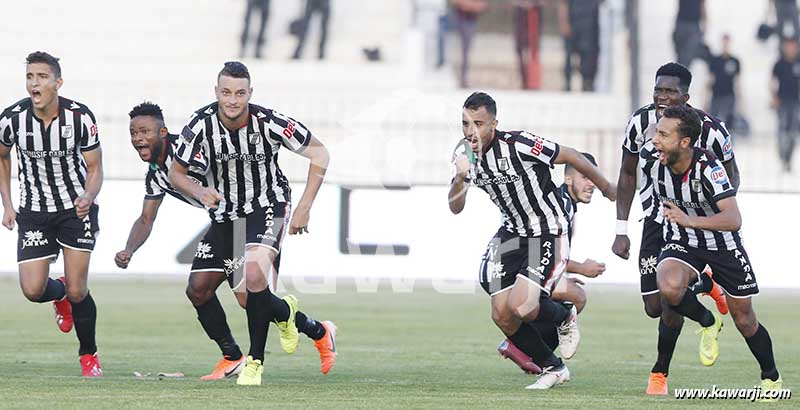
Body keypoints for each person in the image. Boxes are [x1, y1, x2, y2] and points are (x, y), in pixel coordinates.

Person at [169, 62, 335, 385]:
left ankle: (254, 362)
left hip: (266, 205)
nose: (233, 100)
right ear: (216, 92)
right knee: (202, 291)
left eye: (240, 93)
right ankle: (314, 328)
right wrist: (200, 191)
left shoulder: (269, 122)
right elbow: (176, 173)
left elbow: (320, 153)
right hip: (226, 215)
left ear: (250, 93)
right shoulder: (199, 124)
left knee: (256, 274)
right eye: (226, 92)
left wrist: (304, 206)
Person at [449, 92, 616, 389]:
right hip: (512, 233)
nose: (470, 131)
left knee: (523, 307)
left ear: (494, 124)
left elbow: (572, 155)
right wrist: (460, 177)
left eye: (478, 123)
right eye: (465, 123)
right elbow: (455, 206)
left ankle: (564, 316)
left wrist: (607, 187)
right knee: (501, 313)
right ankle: (553, 368)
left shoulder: (519, 143)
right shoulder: (465, 156)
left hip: (546, 229)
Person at [612, 62, 737, 395]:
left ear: (686, 97)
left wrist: (708, 212)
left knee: (670, 302)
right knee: (654, 306)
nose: (662, 97)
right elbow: (627, 174)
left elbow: (731, 177)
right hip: (655, 219)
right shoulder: (639, 123)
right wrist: (620, 227)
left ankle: (659, 374)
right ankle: (705, 285)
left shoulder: (712, 130)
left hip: (692, 225)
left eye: (670, 92)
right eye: (658, 90)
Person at [644, 105, 783, 401]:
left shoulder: (710, 168)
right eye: (657, 131)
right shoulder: (653, 162)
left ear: (685, 142)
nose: (655, 139)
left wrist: (689, 219)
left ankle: (771, 378)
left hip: (723, 245)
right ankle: (708, 321)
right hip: (683, 241)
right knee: (668, 287)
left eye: (663, 134)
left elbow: (733, 219)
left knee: (744, 319)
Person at [0, 51, 103, 377]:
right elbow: (2, 157)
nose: (34, 83)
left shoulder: (79, 117)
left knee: (79, 290)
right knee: (32, 291)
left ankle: (89, 356)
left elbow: (95, 167)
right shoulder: (12, 119)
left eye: (42, 77)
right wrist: (8, 204)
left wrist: (88, 194)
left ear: (57, 82)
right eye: (30, 76)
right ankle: (57, 294)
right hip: (33, 212)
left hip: (74, 211)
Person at [498, 152, 607, 373]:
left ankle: (526, 351)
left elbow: (550, 253)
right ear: (568, 179)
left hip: (527, 265)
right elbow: (546, 252)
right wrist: (582, 268)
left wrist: (558, 274)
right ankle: (526, 349)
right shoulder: (560, 206)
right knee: (576, 297)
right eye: (585, 177)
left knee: (573, 294)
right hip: (521, 269)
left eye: (593, 178)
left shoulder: (564, 203)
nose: (591, 184)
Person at [558, 0, 602, 91]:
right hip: (572, 22)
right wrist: (564, 22)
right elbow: (563, 3)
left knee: (588, 54)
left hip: (589, 25)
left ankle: (587, 82)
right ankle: (567, 83)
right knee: (568, 55)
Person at [771, 38, 800, 172]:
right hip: (782, 102)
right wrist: (774, 98)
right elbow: (772, 81)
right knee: (782, 131)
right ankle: (782, 156)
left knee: (793, 131)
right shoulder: (780, 64)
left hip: (796, 103)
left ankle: (789, 158)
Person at [706, 34, 740, 132]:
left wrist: (740, 100)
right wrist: (705, 99)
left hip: (729, 96)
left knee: (730, 124)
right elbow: (710, 79)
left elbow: (737, 81)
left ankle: (728, 144)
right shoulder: (715, 60)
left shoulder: (734, 61)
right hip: (716, 95)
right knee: (713, 123)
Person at [452, 0, 488, 88]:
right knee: (462, 50)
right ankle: (460, 77)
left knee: (466, 50)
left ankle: (463, 77)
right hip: (460, 19)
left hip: (471, 20)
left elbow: (483, 5)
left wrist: (469, 6)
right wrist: (471, 6)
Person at [672, 0, 707, 67]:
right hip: (681, 23)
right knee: (681, 55)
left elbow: (703, 5)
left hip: (694, 25)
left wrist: (705, 22)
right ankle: (680, 73)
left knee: (688, 54)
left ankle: (682, 73)